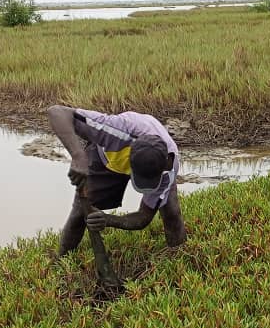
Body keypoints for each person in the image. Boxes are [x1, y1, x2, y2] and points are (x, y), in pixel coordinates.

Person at [47, 105, 186, 254]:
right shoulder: (114, 130)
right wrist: (78, 156)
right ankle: (61, 258)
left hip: (147, 160)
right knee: (79, 214)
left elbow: (144, 217)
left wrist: (108, 220)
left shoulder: (168, 168)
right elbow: (56, 112)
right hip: (106, 159)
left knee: (171, 212)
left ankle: (179, 254)